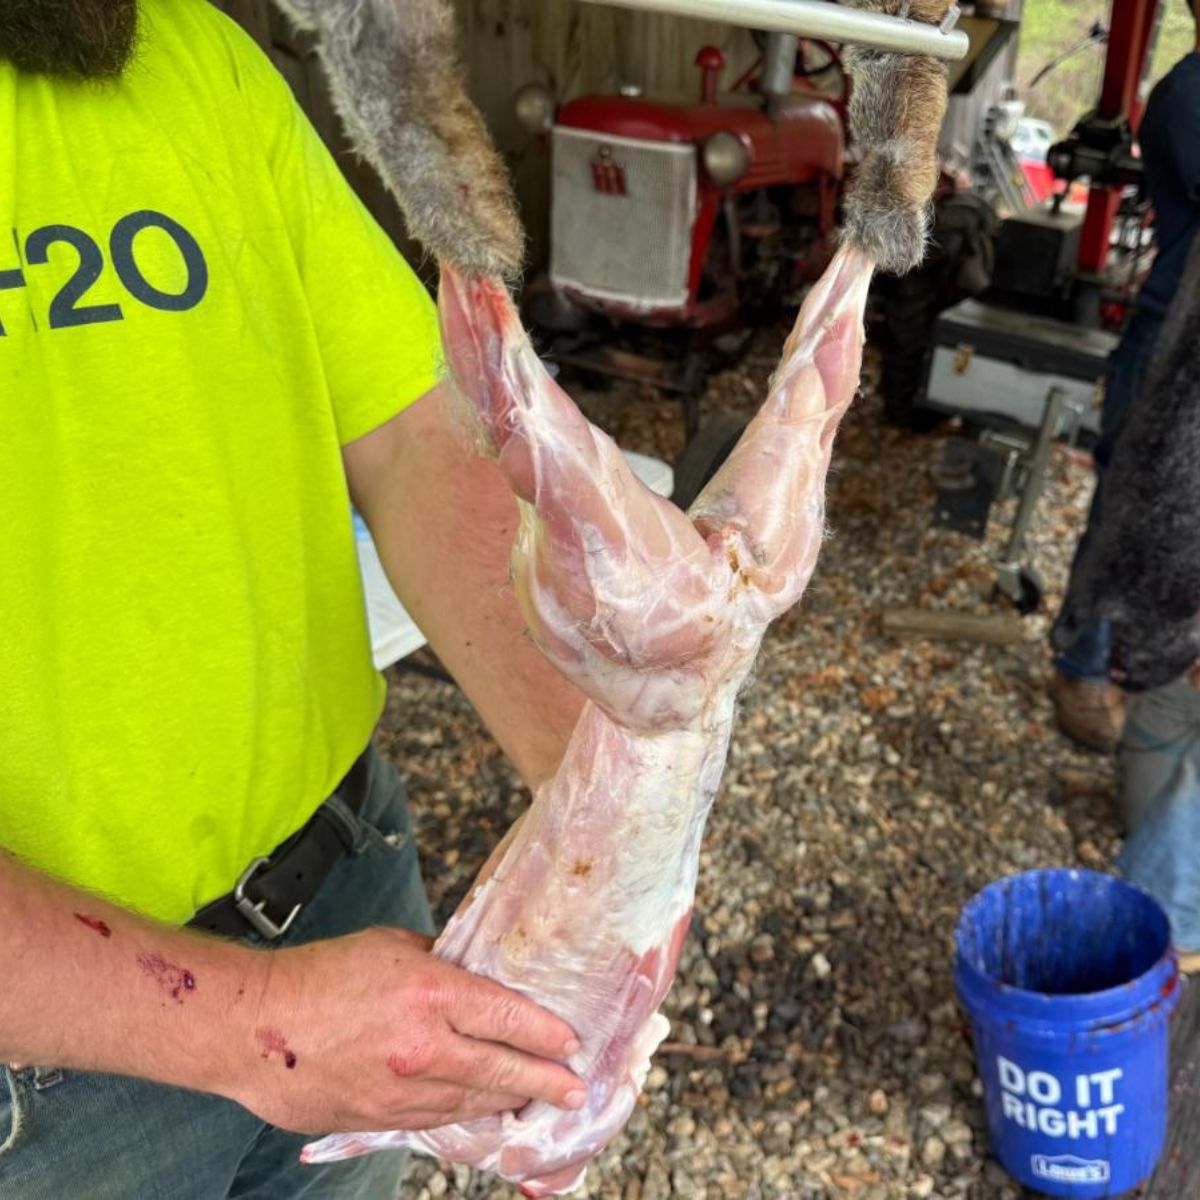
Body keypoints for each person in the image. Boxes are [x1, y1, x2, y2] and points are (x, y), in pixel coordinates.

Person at [0, 1, 591, 1195]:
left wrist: (601, 810)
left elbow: (413, 440)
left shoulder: (189, 54)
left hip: (347, 886)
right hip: (51, 1075)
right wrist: (257, 1025)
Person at [1049, 0, 1200, 752]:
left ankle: (1156, 665)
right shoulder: (1188, 94)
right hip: (1171, 346)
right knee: (1130, 502)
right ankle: (1082, 665)